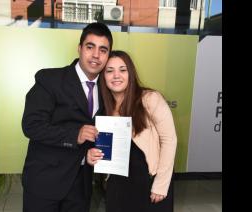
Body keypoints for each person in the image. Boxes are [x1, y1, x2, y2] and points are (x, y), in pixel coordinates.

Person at [21, 22, 112, 212]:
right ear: (79, 48)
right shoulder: (50, 80)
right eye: (90, 47)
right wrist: (74, 135)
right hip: (45, 182)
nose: (96, 55)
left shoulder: (108, 89)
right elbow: (31, 125)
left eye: (103, 50)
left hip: (81, 186)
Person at [87, 50, 177, 212]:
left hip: (151, 183)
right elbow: (102, 151)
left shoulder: (150, 98)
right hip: (118, 186)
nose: (116, 75)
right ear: (103, 76)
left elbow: (169, 140)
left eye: (122, 70)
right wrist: (93, 155)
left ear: (131, 73)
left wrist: (161, 184)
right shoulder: (103, 111)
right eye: (109, 71)